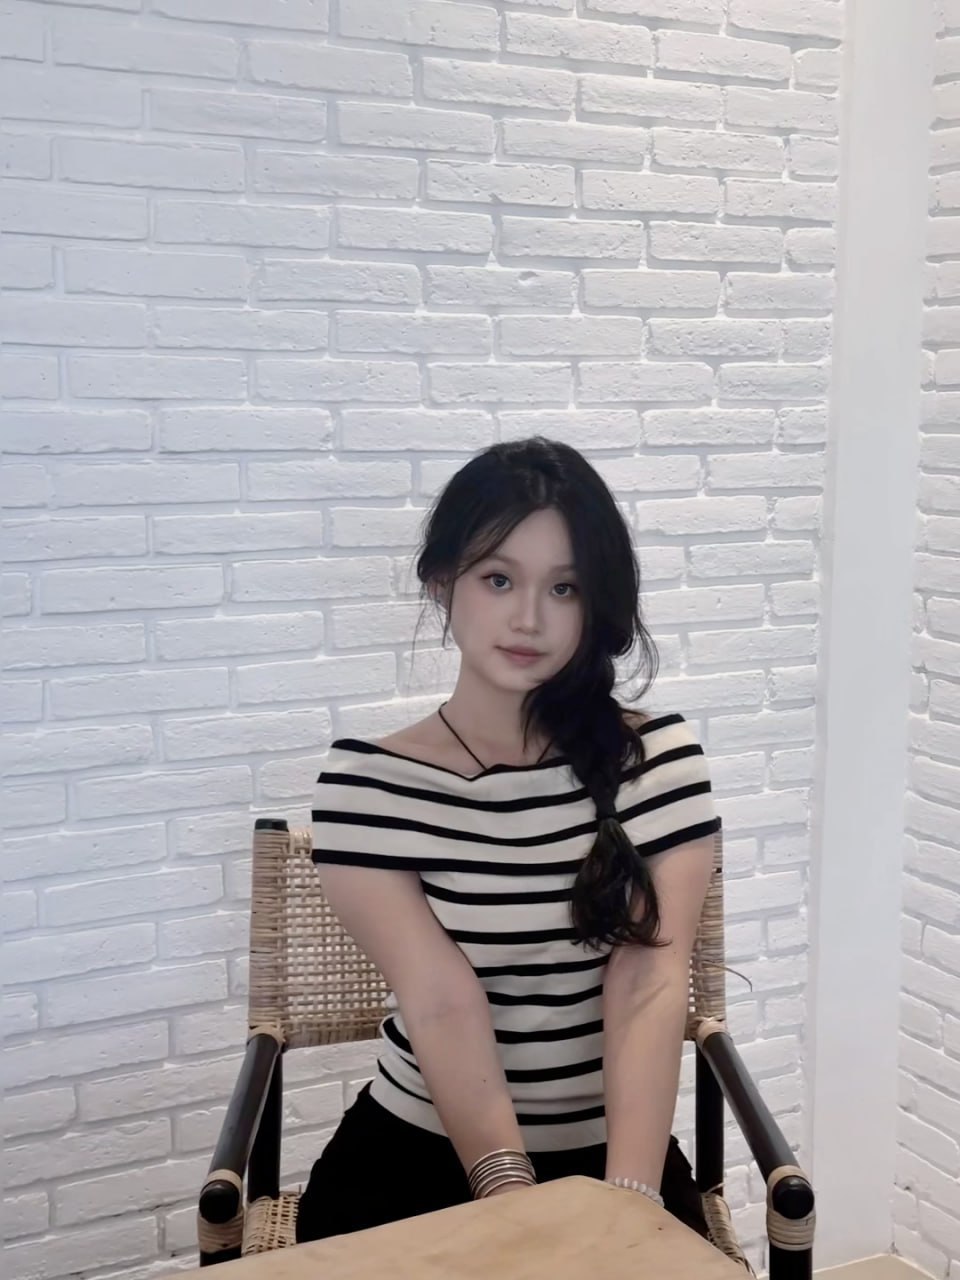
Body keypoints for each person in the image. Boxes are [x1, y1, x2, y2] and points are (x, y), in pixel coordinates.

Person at [296, 437, 720, 1243]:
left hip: (618, 1151)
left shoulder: (656, 761)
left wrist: (628, 1201)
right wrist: (515, 1205)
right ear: (441, 581)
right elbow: (439, 998)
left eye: (564, 587)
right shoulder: (368, 786)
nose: (529, 619)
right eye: (499, 579)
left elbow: (649, 978)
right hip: (419, 1153)